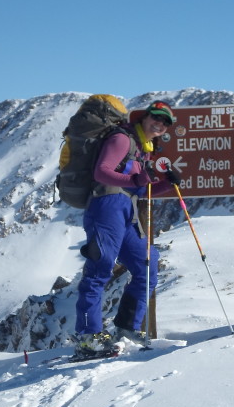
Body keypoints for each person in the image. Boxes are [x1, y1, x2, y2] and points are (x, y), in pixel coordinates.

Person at [73, 100, 179, 357]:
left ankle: (127, 328)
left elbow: (141, 190)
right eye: (156, 117)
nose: (160, 124)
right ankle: (88, 337)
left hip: (126, 212)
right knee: (100, 268)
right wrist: (137, 178)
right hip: (105, 207)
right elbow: (102, 172)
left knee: (148, 263)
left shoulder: (144, 150)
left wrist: (170, 184)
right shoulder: (122, 139)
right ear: (144, 117)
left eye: (165, 122)